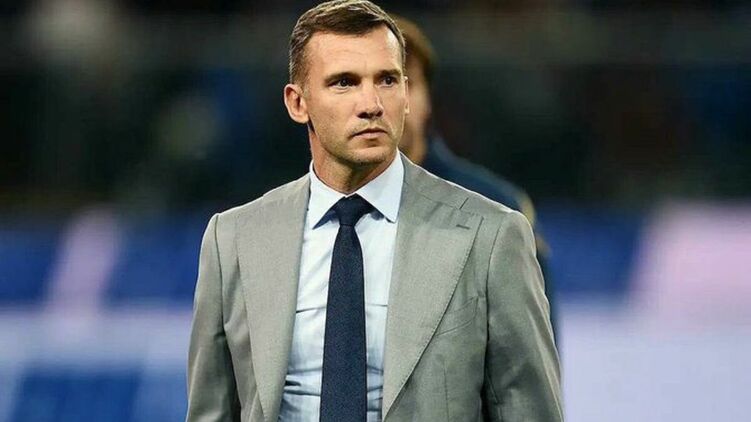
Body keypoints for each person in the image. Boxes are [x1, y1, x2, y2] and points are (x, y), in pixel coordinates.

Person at [186, 1, 562, 421]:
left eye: (386, 80)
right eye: (344, 82)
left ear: (406, 94)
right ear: (297, 103)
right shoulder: (234, 240)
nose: (371, 104)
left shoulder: (490, 235)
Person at [393, 15, 558, 338]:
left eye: (404, 83)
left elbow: (533, 353)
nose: (389, 101)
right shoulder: (309, 211)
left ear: (428, 101)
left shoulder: (497, 210)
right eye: (364, 83)